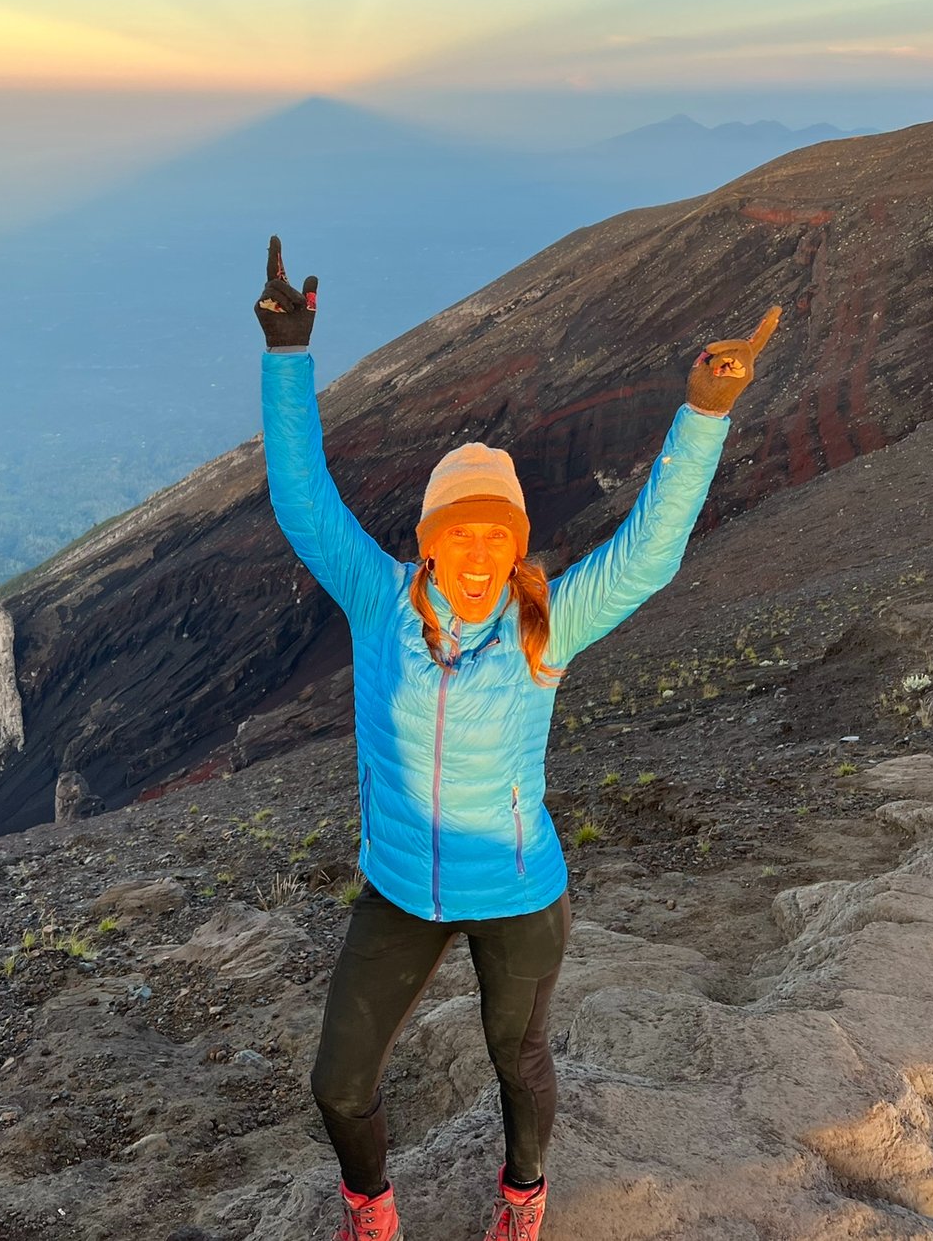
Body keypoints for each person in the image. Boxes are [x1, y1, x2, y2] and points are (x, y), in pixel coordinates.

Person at [255, 236, 779, 1241]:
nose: (483, 550)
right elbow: (303, 502)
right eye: (464, 532)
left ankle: (523, 1198)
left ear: (516, 541)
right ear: (432, 539)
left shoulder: (548, 623)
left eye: (501, 533)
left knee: (518, 1061)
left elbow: (650, 552)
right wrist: (288, 356)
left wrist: (704, 415)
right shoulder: (379, 604)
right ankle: (371, 1206)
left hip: (521, 893)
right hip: (401, 888)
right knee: (339, 1083)